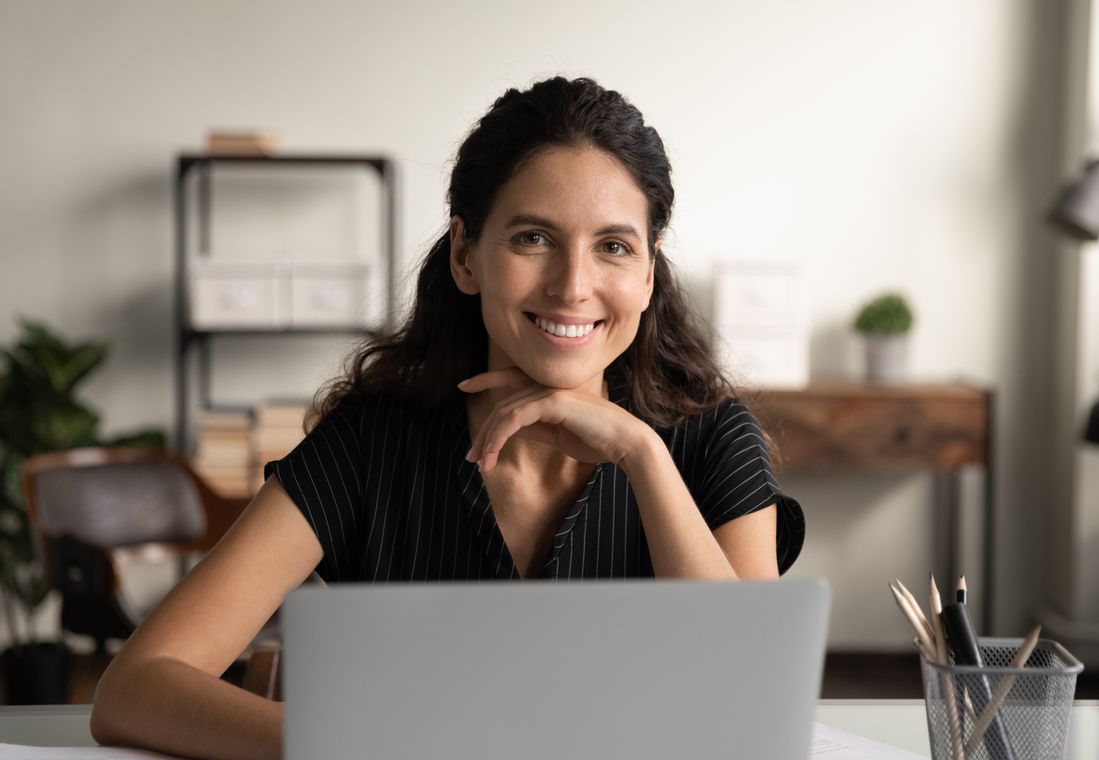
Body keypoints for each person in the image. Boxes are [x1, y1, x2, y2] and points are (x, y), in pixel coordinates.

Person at [90, 76, 805, 759]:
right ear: (466, 255)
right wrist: (358, 748)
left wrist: (643, 458)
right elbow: (135, 687)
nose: (572, 285)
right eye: (533, 238)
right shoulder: (373, 439)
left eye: (613, 247)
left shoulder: (711, 438)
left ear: (648, 273)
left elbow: (748, 712)